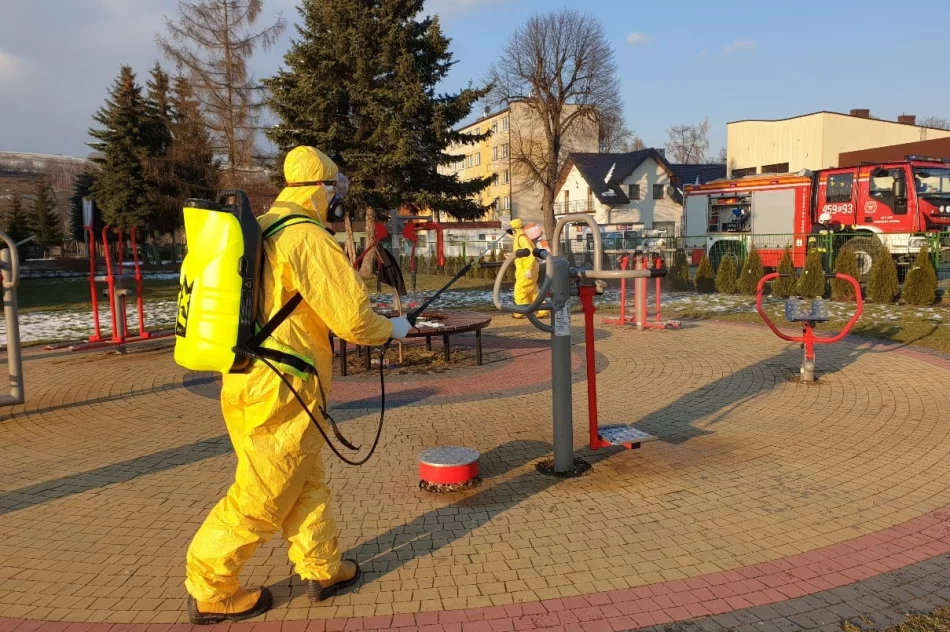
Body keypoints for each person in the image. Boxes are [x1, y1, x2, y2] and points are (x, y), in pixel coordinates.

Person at [184, 146, 412, 625]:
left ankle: (322, 568)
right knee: (263, 493)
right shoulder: (306, 237)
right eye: (334, 188)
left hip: (251, 376)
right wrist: (392, 329)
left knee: (304, 478)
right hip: (282, 383)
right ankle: (210, 586)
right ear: (319, 189)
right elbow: (351, 317)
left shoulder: (263, 226)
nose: (336, 198)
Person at [510, 219, 549, 319]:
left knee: (520, 290)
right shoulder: (521, 237)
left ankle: (520, 311)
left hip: (526, 269)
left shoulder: (521, 239)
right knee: (532, 291)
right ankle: (543, 310)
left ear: (514, 229)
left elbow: (531, 253)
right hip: (528, 267)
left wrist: (528, 268)